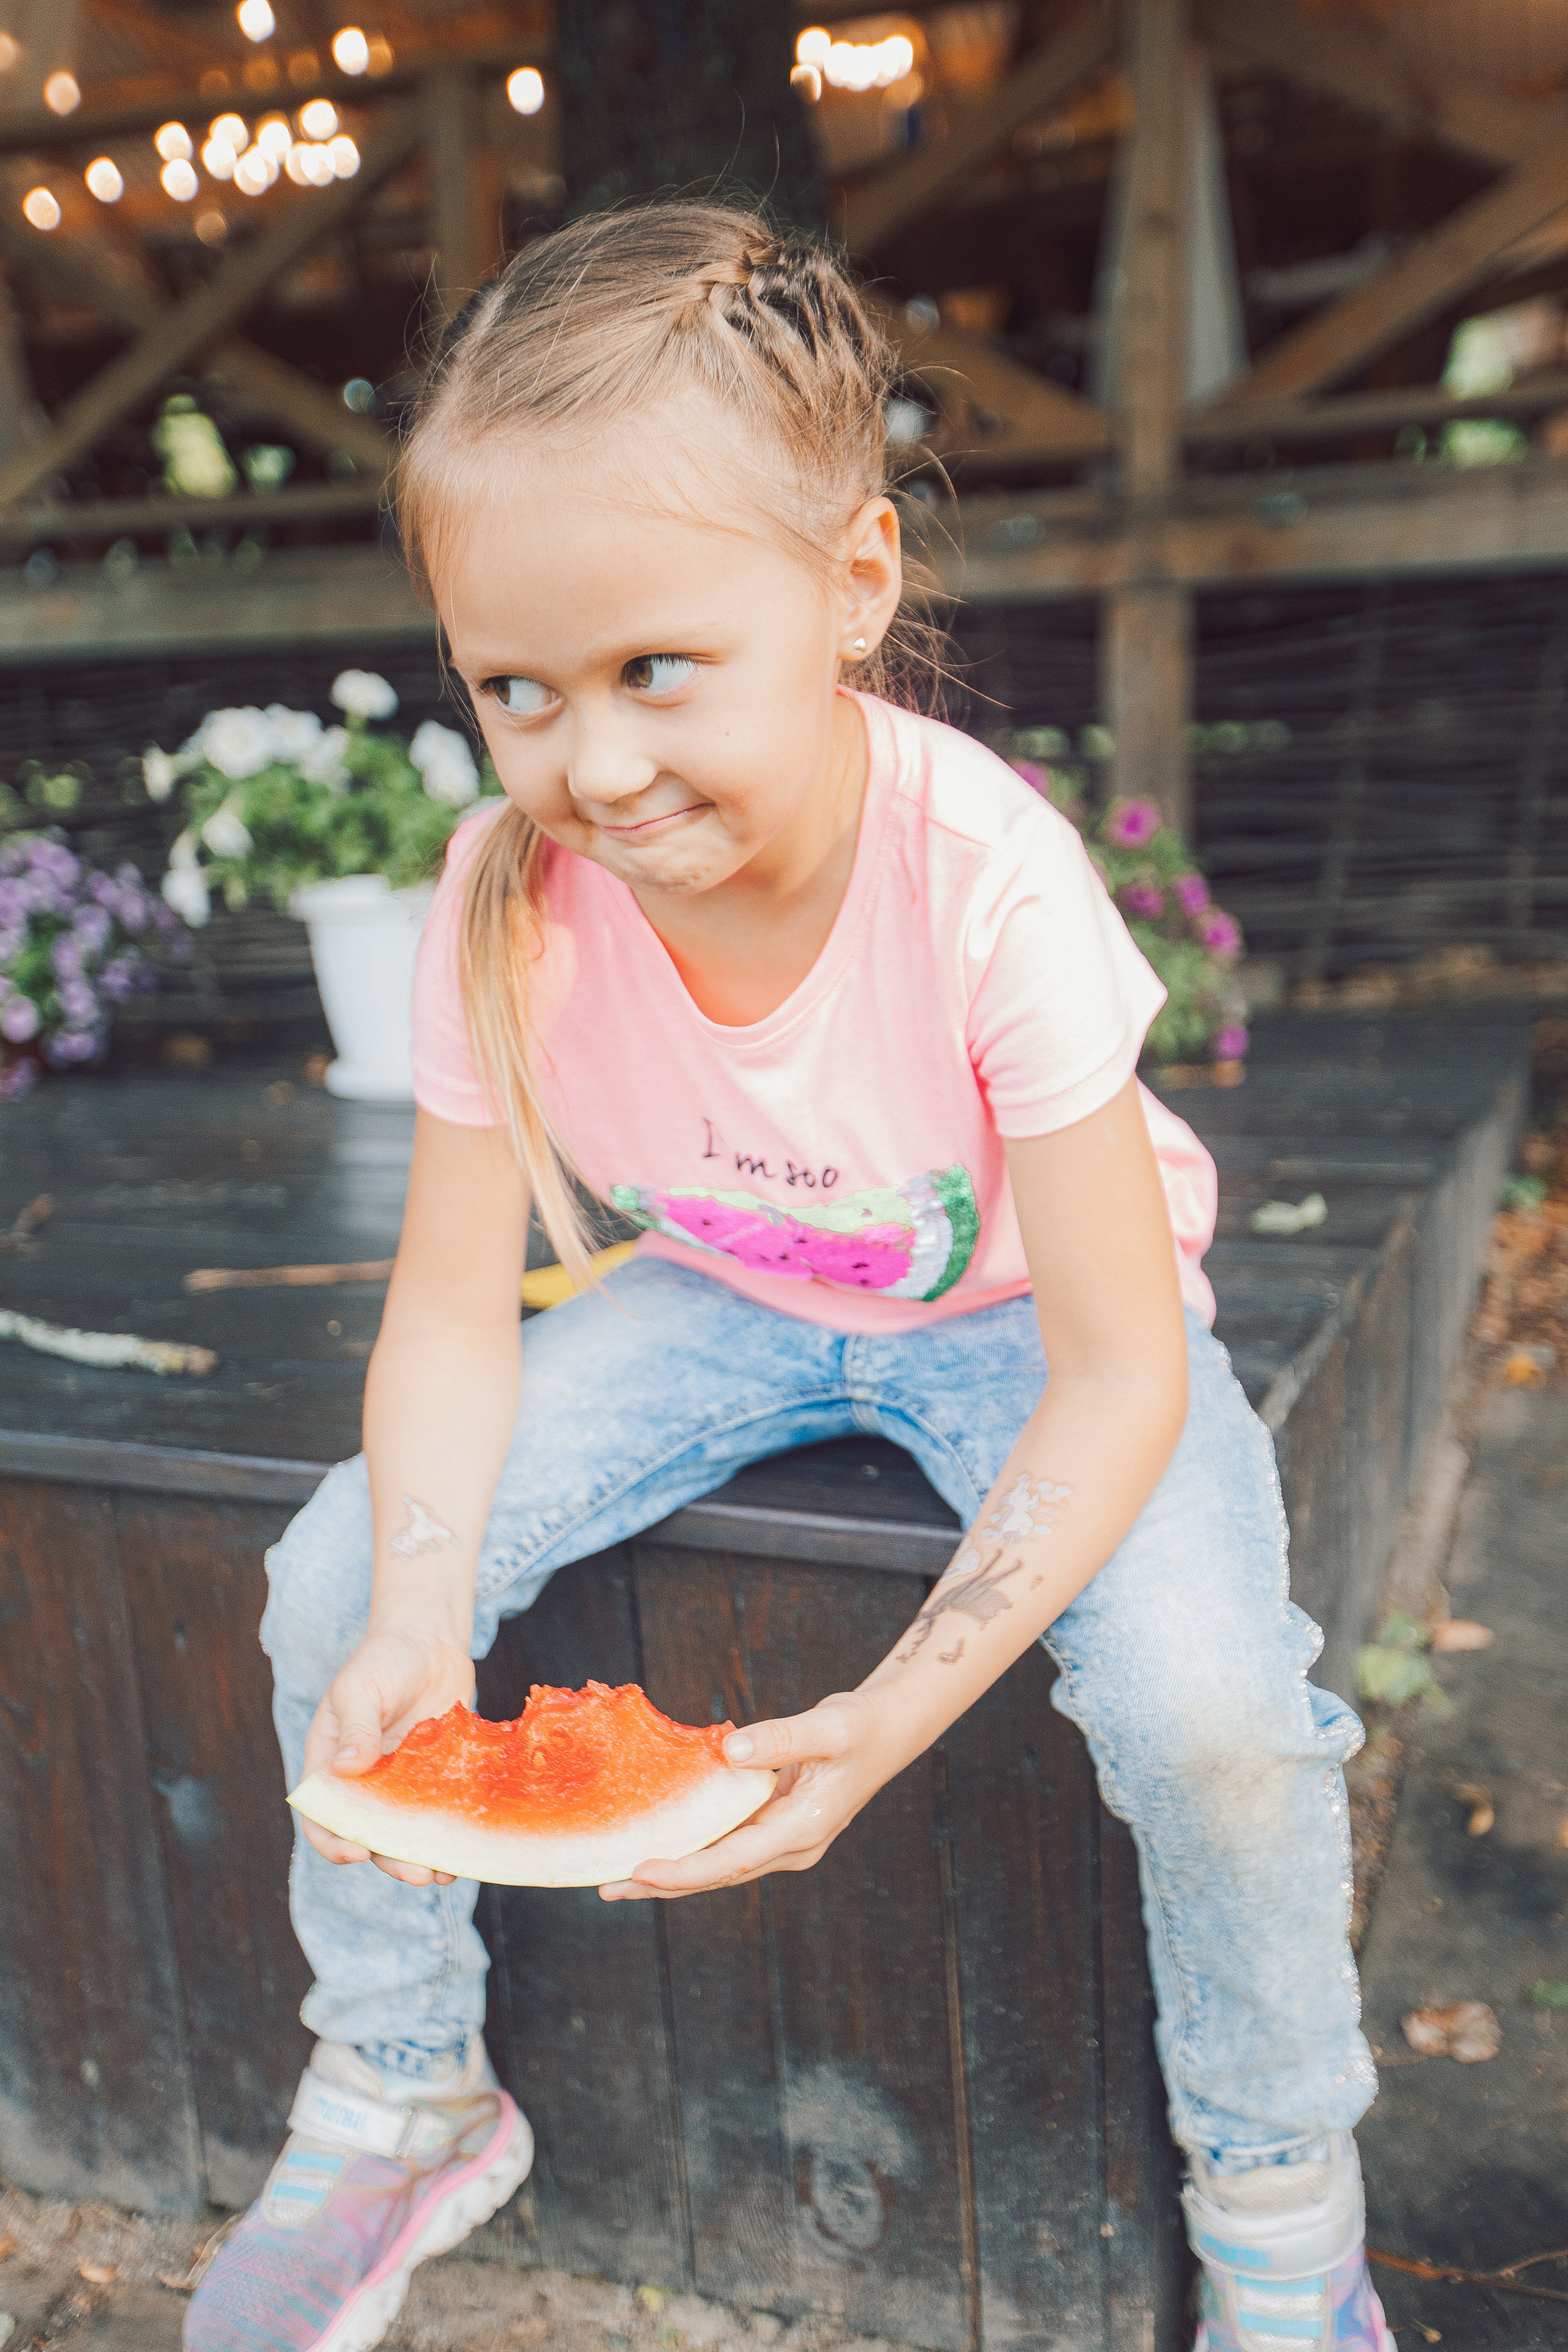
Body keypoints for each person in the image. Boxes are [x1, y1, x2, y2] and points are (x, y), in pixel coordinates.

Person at [187, 204, 1389, 2352]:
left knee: (1213, 1712)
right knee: (320, 1581)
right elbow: (457, 1308)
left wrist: (895, 1711)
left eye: (656, 669)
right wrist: (409, 1611)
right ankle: (401, 2083)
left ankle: (1285, 2207)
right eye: (516, 691)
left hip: (1037, 1317)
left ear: (852, 584)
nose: (596, 766)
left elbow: (1120, 1376)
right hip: (732, 1287)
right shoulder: (504, 889)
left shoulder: (987, 878)